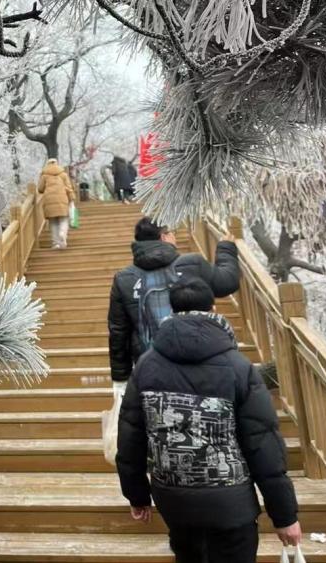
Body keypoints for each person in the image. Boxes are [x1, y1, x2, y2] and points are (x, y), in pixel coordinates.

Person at [116, 277, 301, 563]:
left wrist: (137, 494)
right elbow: (262, 444)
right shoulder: (239, 368)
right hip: (231, 502)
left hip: (174, 499)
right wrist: (284, 515)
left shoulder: (146, 366)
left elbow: (131, 436)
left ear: (171, 310)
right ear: (214, 307)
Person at [108, 217, 240, 388]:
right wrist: (226, 248)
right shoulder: (192, 264)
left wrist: (121, 379)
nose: (175, 237)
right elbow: (227, 282)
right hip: (200, 361)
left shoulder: (124, 279)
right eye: (172, 233)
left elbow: (118, 331)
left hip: (152, 369)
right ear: (164, 237)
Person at [38, 158, 75, 250]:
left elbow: (40, 189)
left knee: (53, 222)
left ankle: (56, 243)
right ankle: (62, 233)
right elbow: (69, 187)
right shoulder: (63, 174)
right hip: (62, 199)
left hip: (49, 201)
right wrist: (72, 198)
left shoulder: (44, 175)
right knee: (63, 219)